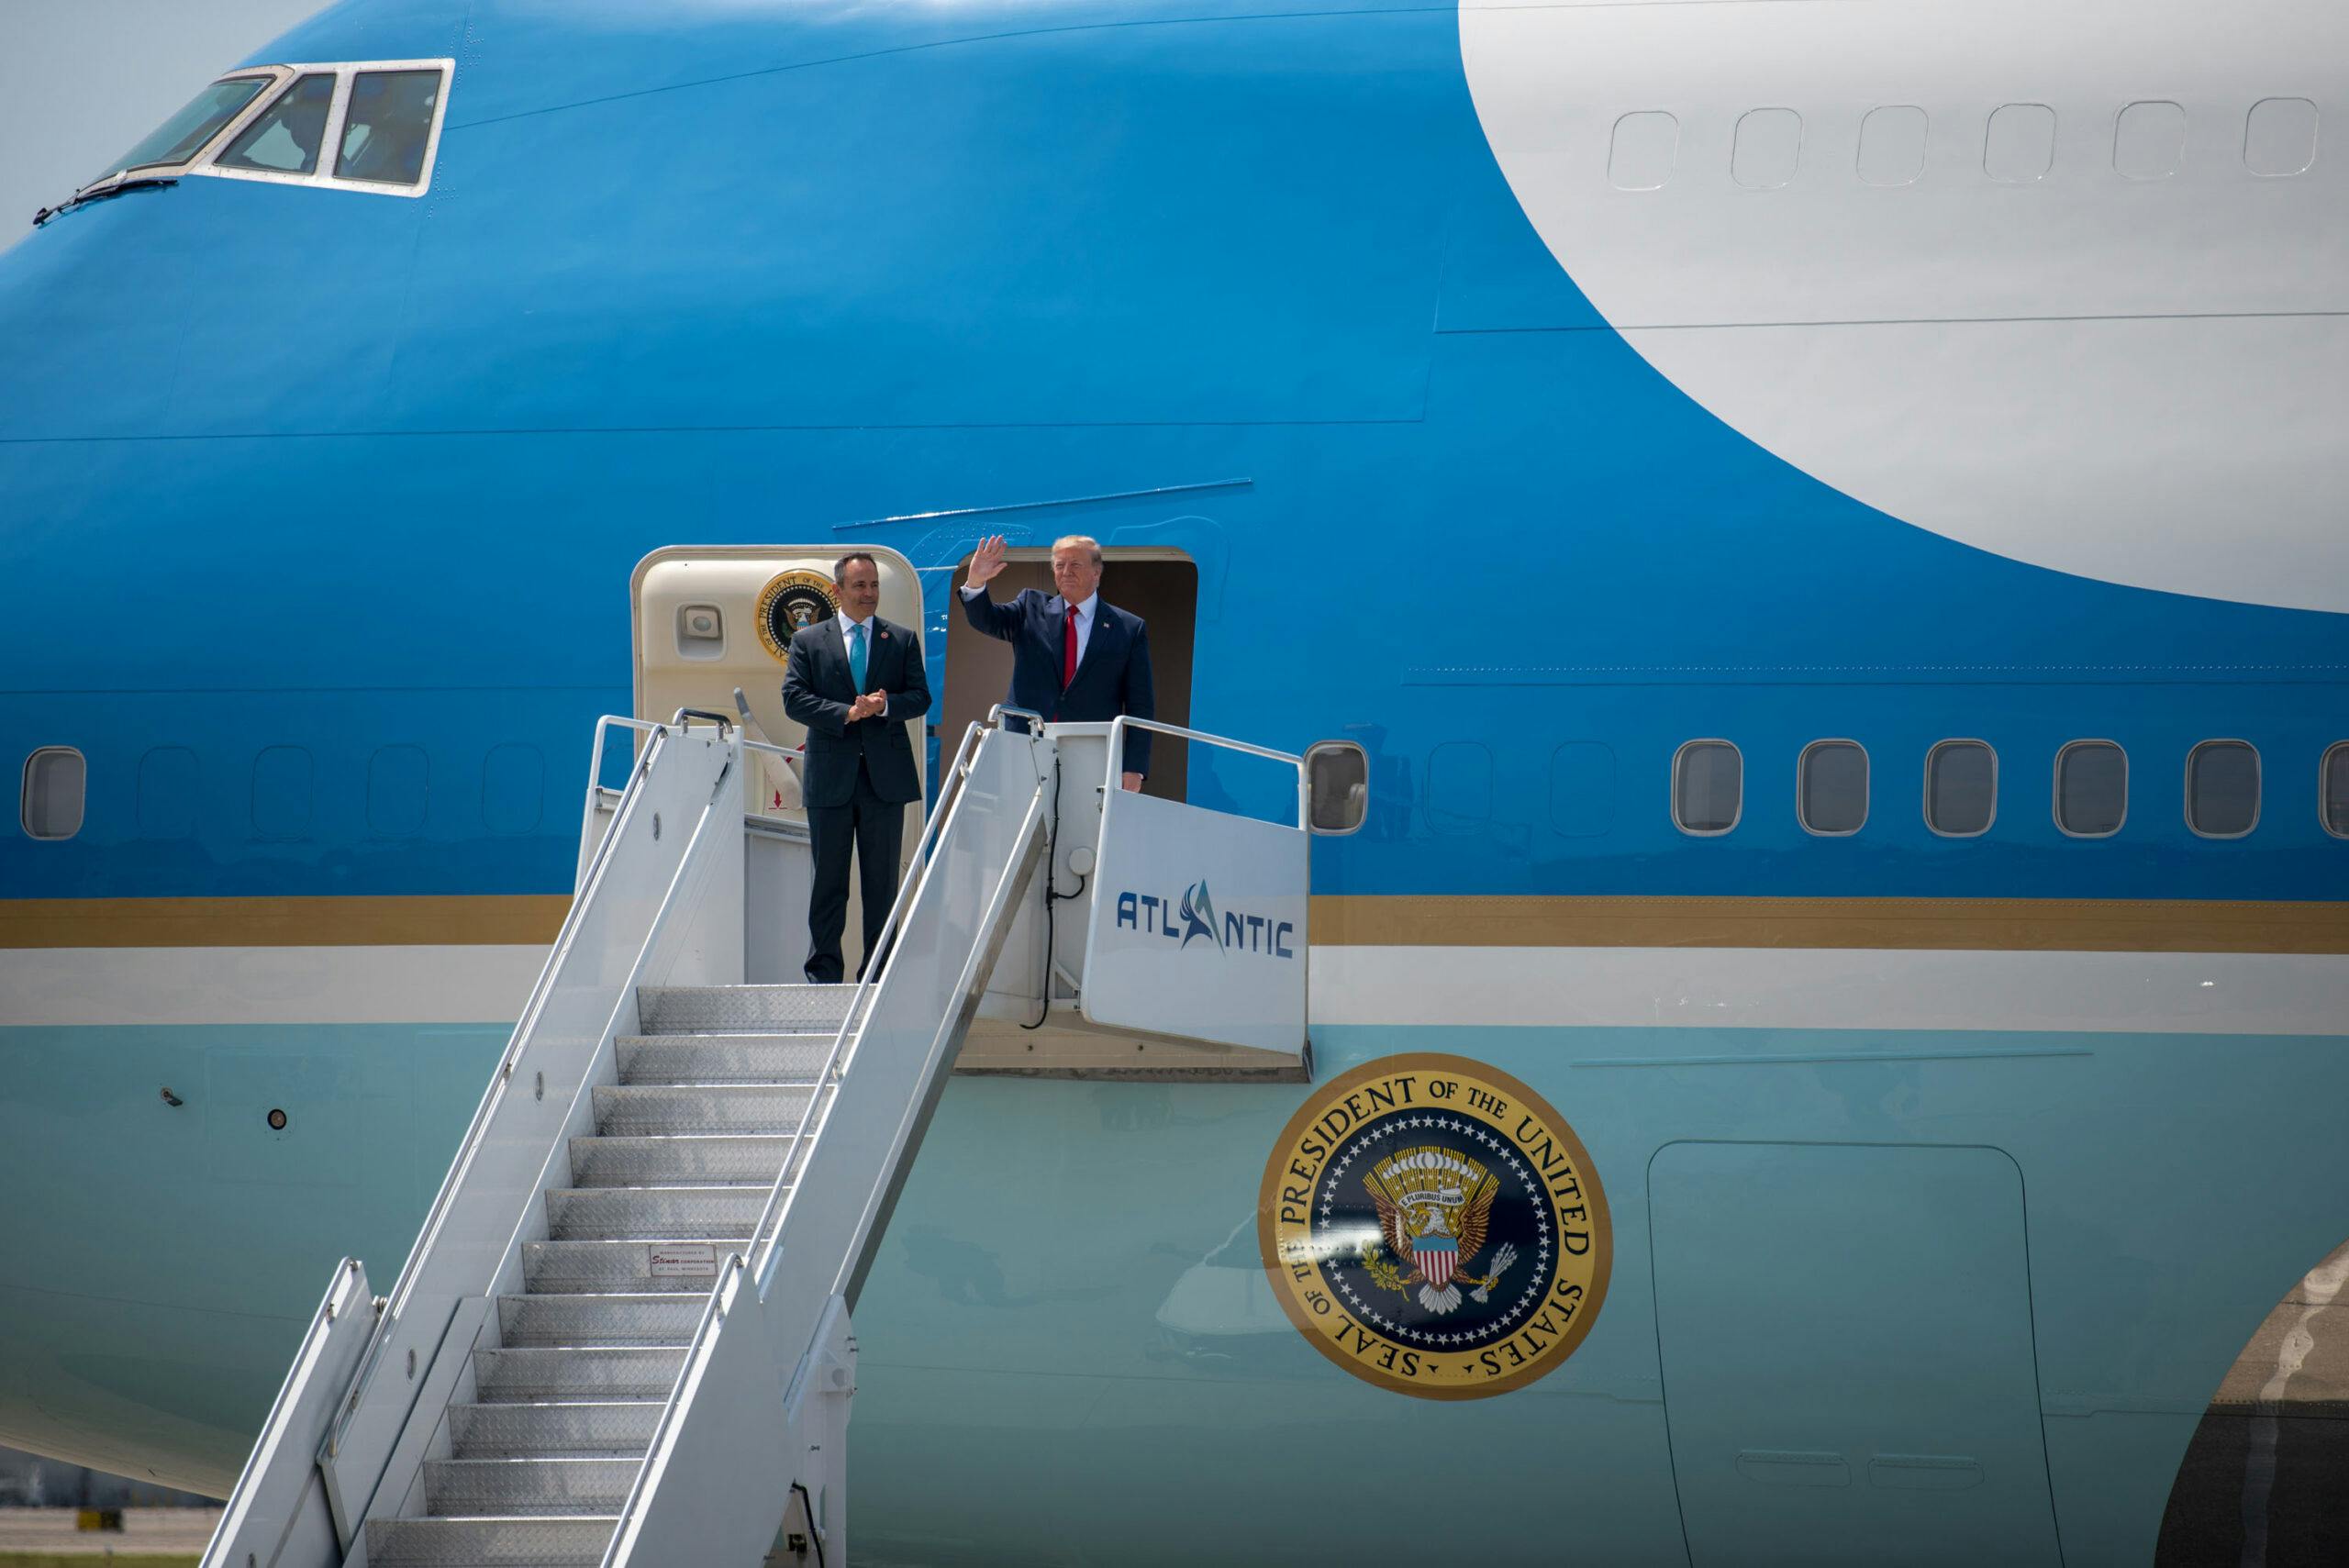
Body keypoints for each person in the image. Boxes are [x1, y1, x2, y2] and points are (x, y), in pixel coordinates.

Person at [782, 552, 930, 984]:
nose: (869, 594)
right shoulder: (808, 642)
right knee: (829, 882)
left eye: (874, 586)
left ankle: (879, 974)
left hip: (885, 782)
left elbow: (920, 697)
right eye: (860, 586)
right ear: (838, 590)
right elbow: (794, 699)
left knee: (881, 884)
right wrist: (846, 713)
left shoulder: (899, 640)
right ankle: (823, 974)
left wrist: (886, 706)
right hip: (831, 781)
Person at [959, 534, 1153, 789]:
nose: (1066, 572)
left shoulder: (1128, 628)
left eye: (1075, 565)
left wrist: (1133, 768)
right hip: (1026, 744)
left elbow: (1140, 705)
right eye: (1059, 565)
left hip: (1089, 750)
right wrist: (976, 582)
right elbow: (987, 620)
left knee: (1083, 828)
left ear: (1097, 572)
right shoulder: (1030, 606)